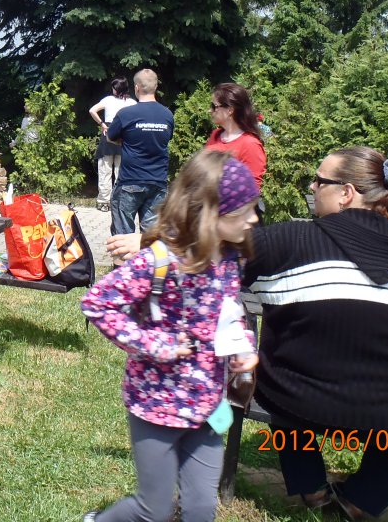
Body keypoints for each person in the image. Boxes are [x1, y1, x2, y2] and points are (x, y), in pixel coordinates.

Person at [244, 148, 388, 518]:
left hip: (303, 400)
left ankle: (310, 487)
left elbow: (218, 265)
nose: (312, 187)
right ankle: (364, 498)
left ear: (346, 193)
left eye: (319, 180)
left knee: (275, 370)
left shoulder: (289, 240)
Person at [81, 152, 260, 522]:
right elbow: (98, 304)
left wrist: (242, 346)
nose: (254, 218)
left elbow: (229, 313)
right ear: (209, 214)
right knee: (154, 510)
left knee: (201, 509)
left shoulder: (231, 259)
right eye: (243, 212)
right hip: (156, 406)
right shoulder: (158, 261)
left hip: (208, 406)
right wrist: (155, 346)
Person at [106, 69, 173, 235]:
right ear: (155, 87)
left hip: (130, 181)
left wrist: (124, 140)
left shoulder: (126, 114)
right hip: (158, 183)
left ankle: (125, 254)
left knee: (122, 237)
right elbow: (163, 140)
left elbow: (110, 137)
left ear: (136, 88)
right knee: (152, 237)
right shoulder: (167, 115)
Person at [204, 82, 266, 189]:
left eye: (214, 106)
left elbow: (251, 189)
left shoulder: (250, 144)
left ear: (230, 110)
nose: (210, 110)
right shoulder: (215, 135)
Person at [89, 78, 137, 212]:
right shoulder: (132, 103)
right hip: (124, 136)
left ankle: (104, 202)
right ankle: (119, 201)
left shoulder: (108, 100)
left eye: (114, 87)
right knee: (121, 171)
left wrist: (102, 124)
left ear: (118, 89)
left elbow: (92, 110)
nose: (112, 90)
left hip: (109, 134)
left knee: (105, 170)